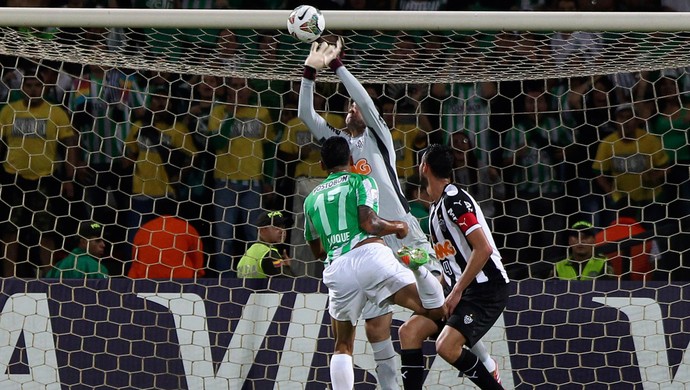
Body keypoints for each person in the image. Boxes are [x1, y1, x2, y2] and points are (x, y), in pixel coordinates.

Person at [298, 39, 500, 388]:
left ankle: (484, 360)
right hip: (365, 242)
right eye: (348, 105)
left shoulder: (378, 136)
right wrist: (310, 72)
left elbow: (364, 100)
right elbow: (305, 114)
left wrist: (338, 66)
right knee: (377, 326)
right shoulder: (339, 145)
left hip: (403, 230)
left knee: (440, 302)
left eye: (357, 105)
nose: (353, 108)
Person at [303, 136, 445, 390]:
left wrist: (336, 246)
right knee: (434, 310)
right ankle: (418, 267)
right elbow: (370, 223)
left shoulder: (311, 199)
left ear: (322, 165)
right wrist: (399, 227)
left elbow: (317, 250)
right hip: (370, 255)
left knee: (343, 345)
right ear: (350, 160)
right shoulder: (362, 181)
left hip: (337, 270)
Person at [409, 143, 509, 390]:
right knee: (409, 332)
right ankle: (485, 362)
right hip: (463, 290)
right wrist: (438, 291)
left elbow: (483, 249)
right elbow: (449, 262)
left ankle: (488, 369)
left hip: (486, 289)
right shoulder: (435, 209)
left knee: (446, 346)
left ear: (424, 167)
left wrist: (455, 292)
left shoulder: (455, 200)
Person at [0, 65, 79, 277]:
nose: (33, 89)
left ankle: (48, 279)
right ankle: (8, 279)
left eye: (37, 85)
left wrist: (69, 178)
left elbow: (70, 145)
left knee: (47, 232)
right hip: (13, 177)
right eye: (29, 85)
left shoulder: (56, 112)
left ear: (44, 88)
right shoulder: (9, 110)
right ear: (22, 87)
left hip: (45, 179)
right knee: (10, 232)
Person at [592, 103, 669, 227]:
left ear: (637, 120)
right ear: (615, 121)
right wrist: (610, 192)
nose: (625, 121)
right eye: (621, 117)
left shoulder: (650, 140)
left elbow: (665, 166)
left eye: (629, 117)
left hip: (650, 200)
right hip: (621, 201)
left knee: (652, 238)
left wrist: (655, 176)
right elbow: (598, 172)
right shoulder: (607, 143)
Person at [127, 213, 205, 280]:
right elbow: (197, 263)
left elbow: (135, 259)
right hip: (179, 280)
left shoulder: (144, 229)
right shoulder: (186, 227)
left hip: (144, 279)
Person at [595, 207, 659, 281]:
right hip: (641, 288)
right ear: (638, 215)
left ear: (616, 214)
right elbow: (655, 265)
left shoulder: (599, 237)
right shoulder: (648, 237)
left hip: (605, 288)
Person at [237, 210, 294, 279]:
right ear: (262, 230)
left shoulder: (246, 255)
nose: (282, 231)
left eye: (283, 227)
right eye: (276, 227)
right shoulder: (268, 254)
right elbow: (289, 284)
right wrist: (287, 267)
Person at [45, 222, 109, 279]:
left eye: (103, 240)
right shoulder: (97, 268)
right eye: (98, 240)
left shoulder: (58, 266)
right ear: (83, 242)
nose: (103, 245)